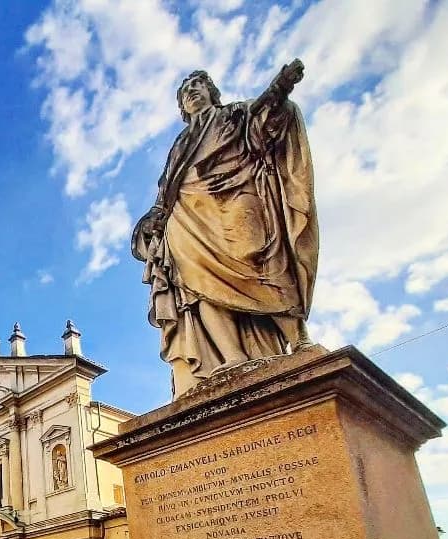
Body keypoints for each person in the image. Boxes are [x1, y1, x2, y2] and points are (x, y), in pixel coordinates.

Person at [132, 59, 319, 396]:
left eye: (197, 86)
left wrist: (279, 90)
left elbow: (266, 122)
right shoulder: (180, 145)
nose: (192, 93)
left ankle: (299, 339)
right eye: (185, 92)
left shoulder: (235, 114)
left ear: (212, 92)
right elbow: (166, 188)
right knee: (193, 285)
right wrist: (153, 217)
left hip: (234, 198)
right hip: (186, 218)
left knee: (260, 265)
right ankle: (231, 356)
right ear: (182, 107)